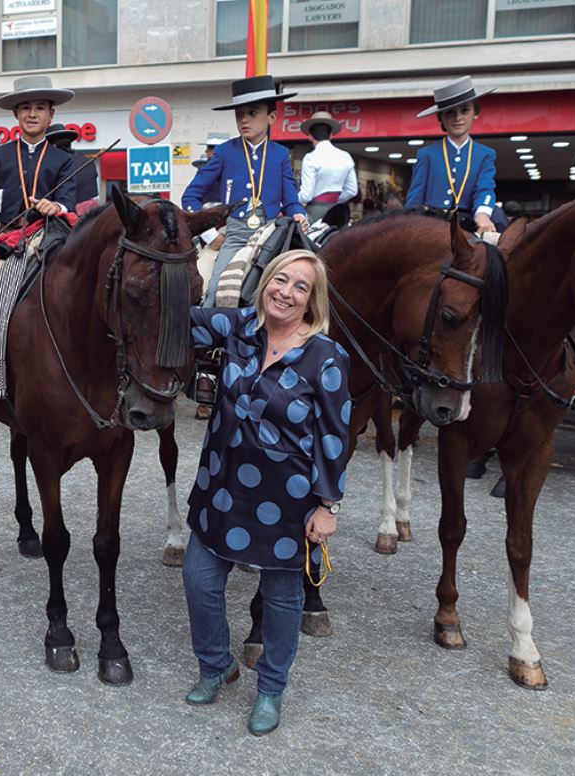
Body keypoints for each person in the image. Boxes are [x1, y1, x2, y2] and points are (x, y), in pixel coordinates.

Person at [182, 248, 350, 736]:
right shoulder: (237, 328)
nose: (286, 291)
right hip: (222, 487)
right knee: (199, 579)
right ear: (265, 282)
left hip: (289, 500)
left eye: (301, 286)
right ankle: (216, 666)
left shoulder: (327, 356)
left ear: (312, 300)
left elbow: (335, 437)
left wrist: (328, 506)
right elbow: (169, 315)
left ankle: (271, 688)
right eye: (281, 279)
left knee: (282, 597)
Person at [0, 74, 77, 388]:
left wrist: (56, 208)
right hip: (11, 242)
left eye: (39, 108)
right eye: (25, 108)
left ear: (52, 115)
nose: (32, 113)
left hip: (53, 237)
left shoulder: (63, 159)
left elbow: (68, 203)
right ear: (15, 115)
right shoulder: (2, 155)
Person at [183, 75, 307, 307]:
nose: (244, 120)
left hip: (272, 234)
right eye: (239, 114)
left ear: (271, 117)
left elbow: (291, 201)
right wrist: (211, 235)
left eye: (252, 113)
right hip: (236, 235)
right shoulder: (224, 152)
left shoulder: (280, 153)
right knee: (213, 292)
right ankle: (209, 338)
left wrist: (299, 213)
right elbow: (190, 197)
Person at [404, 76, 498, 235]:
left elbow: (485, 188)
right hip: (431, 225)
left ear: (476, 112)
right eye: (450, 113)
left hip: (470, 223)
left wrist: (482, 215)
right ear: (441, 117)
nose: (458, 118)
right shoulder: (426, 154)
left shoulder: (485, 154)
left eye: (465, 110)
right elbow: (415, 198)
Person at [296, 111, 357, 225]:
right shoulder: (345, 156)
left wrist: (290, 200)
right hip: (338, 210)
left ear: (310, 136)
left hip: (316, 211)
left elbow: (306, 195)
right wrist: (334, 200)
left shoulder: (310, 158)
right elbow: (352, 190)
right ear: (331, 135)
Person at [45, 123, 99, 213]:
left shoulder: (57, 163)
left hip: (72, 215)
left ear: (53, 146)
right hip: (94, 213)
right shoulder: (85, 159)